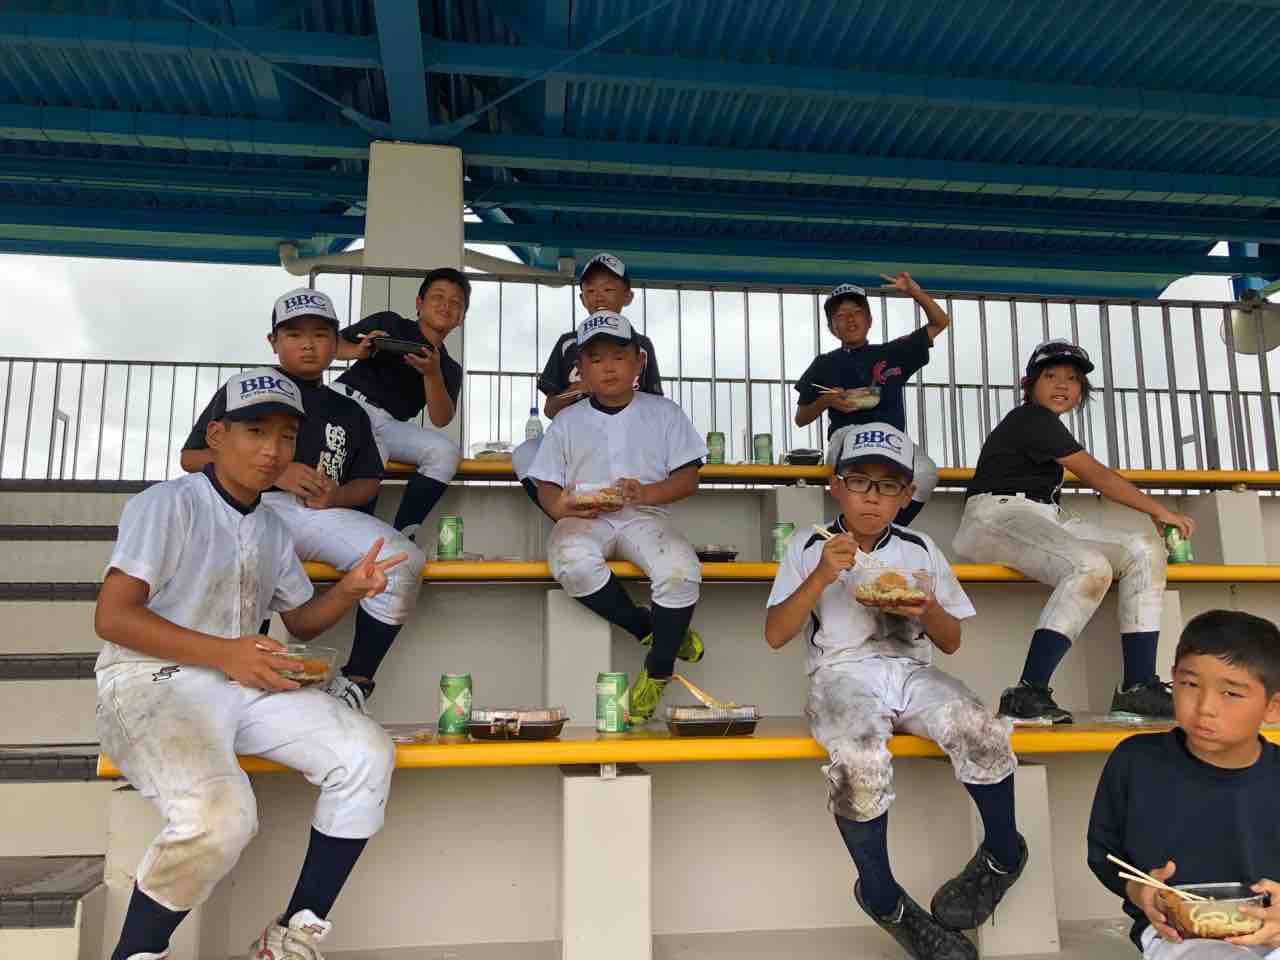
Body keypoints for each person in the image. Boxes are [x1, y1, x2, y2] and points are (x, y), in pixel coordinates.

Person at [96, 368, 405, 960]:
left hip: (239, 678)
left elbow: (303, 620)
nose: (273, 450)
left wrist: (349, 590)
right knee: (222, 817)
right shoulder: (166, 503)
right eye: (256, 431)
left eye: (287, 436)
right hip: (148, 679)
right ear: (216, 436)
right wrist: (226, 653)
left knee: (366, 753)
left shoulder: (270, 526)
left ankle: (292, 934)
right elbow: (112, 617)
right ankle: (135, 953)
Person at [766, 423, 1026, 960]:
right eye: (859, 481)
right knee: (859, 761)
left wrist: (925, 609)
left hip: (911, 671)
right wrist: (820, 576)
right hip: (841, 675)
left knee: (979, 727)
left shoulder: (920, 547)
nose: (872, 496)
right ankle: (885, 899)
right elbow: (775, 634)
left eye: (888, 486)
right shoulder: (808, 544)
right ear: (836, 486)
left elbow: (951, 641)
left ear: (906, 495)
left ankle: (1004, 852)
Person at [180, 290, 426, 713]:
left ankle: (356, 683)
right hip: (248, 505)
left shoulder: (348, 410)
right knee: (240, 569)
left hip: (315, 515)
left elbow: (368, 481)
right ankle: (232, 685)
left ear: (336, 342)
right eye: (294, 335)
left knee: (401, 561)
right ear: (273, 342)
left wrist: (337, 495)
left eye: (320, 334)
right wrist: (275, 472)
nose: (308, 345)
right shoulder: (246, 390)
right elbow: (191, 458)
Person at [953, 338, 1196, 724]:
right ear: (1030, 385)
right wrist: (1159, 510)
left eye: (1073, 379)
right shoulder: (1031, 418)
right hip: (995, 517)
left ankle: (1138, 688)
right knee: (1089, 566)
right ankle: (1027, 692)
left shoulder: (1045, 424)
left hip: (1043, 517)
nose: (1063, 384)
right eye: (1050, 376)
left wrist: (1155, 517)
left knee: (1144, 550)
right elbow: (1096, 475)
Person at [527, 309, 705, 722]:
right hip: (585, 519)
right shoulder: (567, 420)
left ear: (639, 361)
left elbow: (689, 478)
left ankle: (658, 669)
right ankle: (649, 629)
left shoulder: (664, 412)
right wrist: (561, 506)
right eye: (595, 359)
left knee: (680, 571)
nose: (608, 367)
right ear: (580, 369)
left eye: (618, 356)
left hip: (646, 515)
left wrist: (648, 492)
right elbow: (546, 485)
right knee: (570, 560)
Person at [1087, 609, 1280, 960]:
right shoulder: (1137, 761)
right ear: (1172, 680)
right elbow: (1106, 855)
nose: (1205, 707)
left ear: (1273, 707)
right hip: (1179, 934)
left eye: (1231, 693)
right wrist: (1141, 891)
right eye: (1190, 684)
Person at [794, 275, 949, 526]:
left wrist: (914, 291)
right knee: (866, 480)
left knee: (926, 472)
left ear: (869, 320)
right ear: (832, 327)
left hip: (891, 437)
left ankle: (888, 532)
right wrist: (826, 401)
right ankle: (865, 531)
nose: (850, 319)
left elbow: (940, 322)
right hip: (847, 435)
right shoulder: (824, 364)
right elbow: (801, 418)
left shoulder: (893, 352)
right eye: (841, 315)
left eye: (857, 312)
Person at [512, 252, 664, 507]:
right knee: (525, 453)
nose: (599, 297)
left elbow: (655, 409)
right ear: (582, 298)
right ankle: (564, 513)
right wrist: (581, 388)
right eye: (591, 291)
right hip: (575, 440)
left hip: (627, 439)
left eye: (608, 289)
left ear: (628, 296)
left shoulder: (641, 345)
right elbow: (550, 409)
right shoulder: (568, 343)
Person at [333, 267, 468, 541]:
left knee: (444, 452)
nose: (446, 305)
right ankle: (356, 536)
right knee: (373, 451)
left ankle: (404, 534)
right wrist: (357, 350)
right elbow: (333, 344)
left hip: (387, 424)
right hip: (346, 403)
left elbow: (441, 418)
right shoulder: (390, 323)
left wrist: (432, 374)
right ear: (419, 303)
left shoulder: (450, 367)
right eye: (438, 297)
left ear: (461, 317)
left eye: (456, 302)